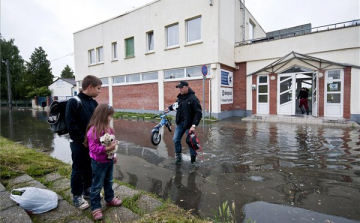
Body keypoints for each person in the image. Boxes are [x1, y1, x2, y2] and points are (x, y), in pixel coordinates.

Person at [65, 75, 102, 210]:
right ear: (90, 87)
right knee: (78, 170)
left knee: (90, 167)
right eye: (98, 88)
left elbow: (97, 123)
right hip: (78, 143)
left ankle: (87, 189)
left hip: (92, 143)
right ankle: (76, 196)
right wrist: (83, 140)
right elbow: (71, 125)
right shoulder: (74, 102)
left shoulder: (94, 103)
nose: (100, 91)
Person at [84, 104, 122, 220]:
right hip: (98, 162)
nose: (111, 118)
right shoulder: (93, 131)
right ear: (103, 115)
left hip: (109, 161)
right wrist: (107, 149)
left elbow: (112, 143)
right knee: (97, 185)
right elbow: (93, 148)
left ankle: (109, 199)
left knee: (109, 181)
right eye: (110, 115)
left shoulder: (109, 129)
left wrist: (113, 154)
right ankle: (95, 207)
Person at [165, 81, 202, 164]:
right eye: (179, 88)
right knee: (176, 139)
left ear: (187, 87)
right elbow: (176, 105)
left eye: (181, 87)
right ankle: (178, 155)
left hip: (189, 124)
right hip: (180, 123)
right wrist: (169, 108)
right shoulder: (180, 97)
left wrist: (194, 125)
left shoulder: (193, 99)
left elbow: (198, 113)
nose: (180, 89)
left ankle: (193, 160)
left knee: (190, 142)